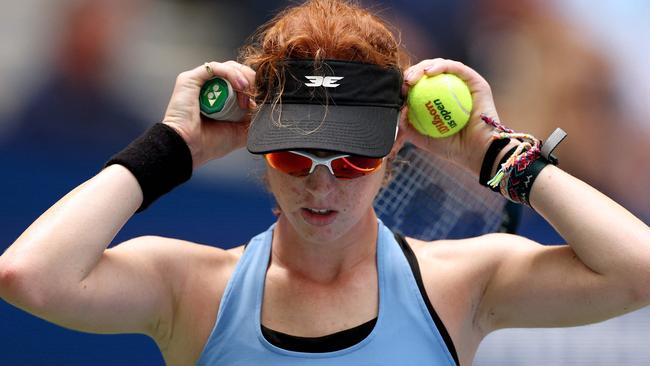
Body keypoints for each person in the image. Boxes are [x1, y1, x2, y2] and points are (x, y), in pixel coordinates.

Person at [0, 1, 648, 365]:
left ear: (396, 145)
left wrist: (501, 156)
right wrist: (169, 148)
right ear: (258, 152)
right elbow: (27, 277)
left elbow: (639, 271)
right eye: (293, 157)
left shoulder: (460, 284)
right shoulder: (192, 288)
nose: (321, 186)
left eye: (351, 160)